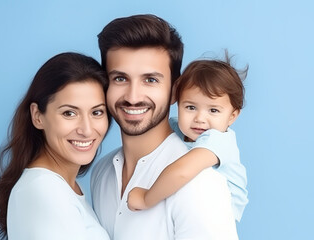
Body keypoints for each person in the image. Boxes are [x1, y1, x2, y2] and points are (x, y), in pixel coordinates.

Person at [90, 14, 238, 239]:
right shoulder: (101, 172)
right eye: (120, 78)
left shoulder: (200, 183)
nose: (133, 96)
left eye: (150, 80)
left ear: (174, 92)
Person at [0, 52, 111, 240]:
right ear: (37, 116)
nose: (87, 130)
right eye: (69, 113)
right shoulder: (45, 190)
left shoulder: (64, 187)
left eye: (97, 112)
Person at [127, 53, 249, 222]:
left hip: (217, 217)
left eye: (213, 110)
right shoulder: (177, 127)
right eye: (190, 107)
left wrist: (146, 199)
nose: (199, 118)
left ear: (232, 116)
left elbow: (182, 172)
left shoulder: (218, 140)